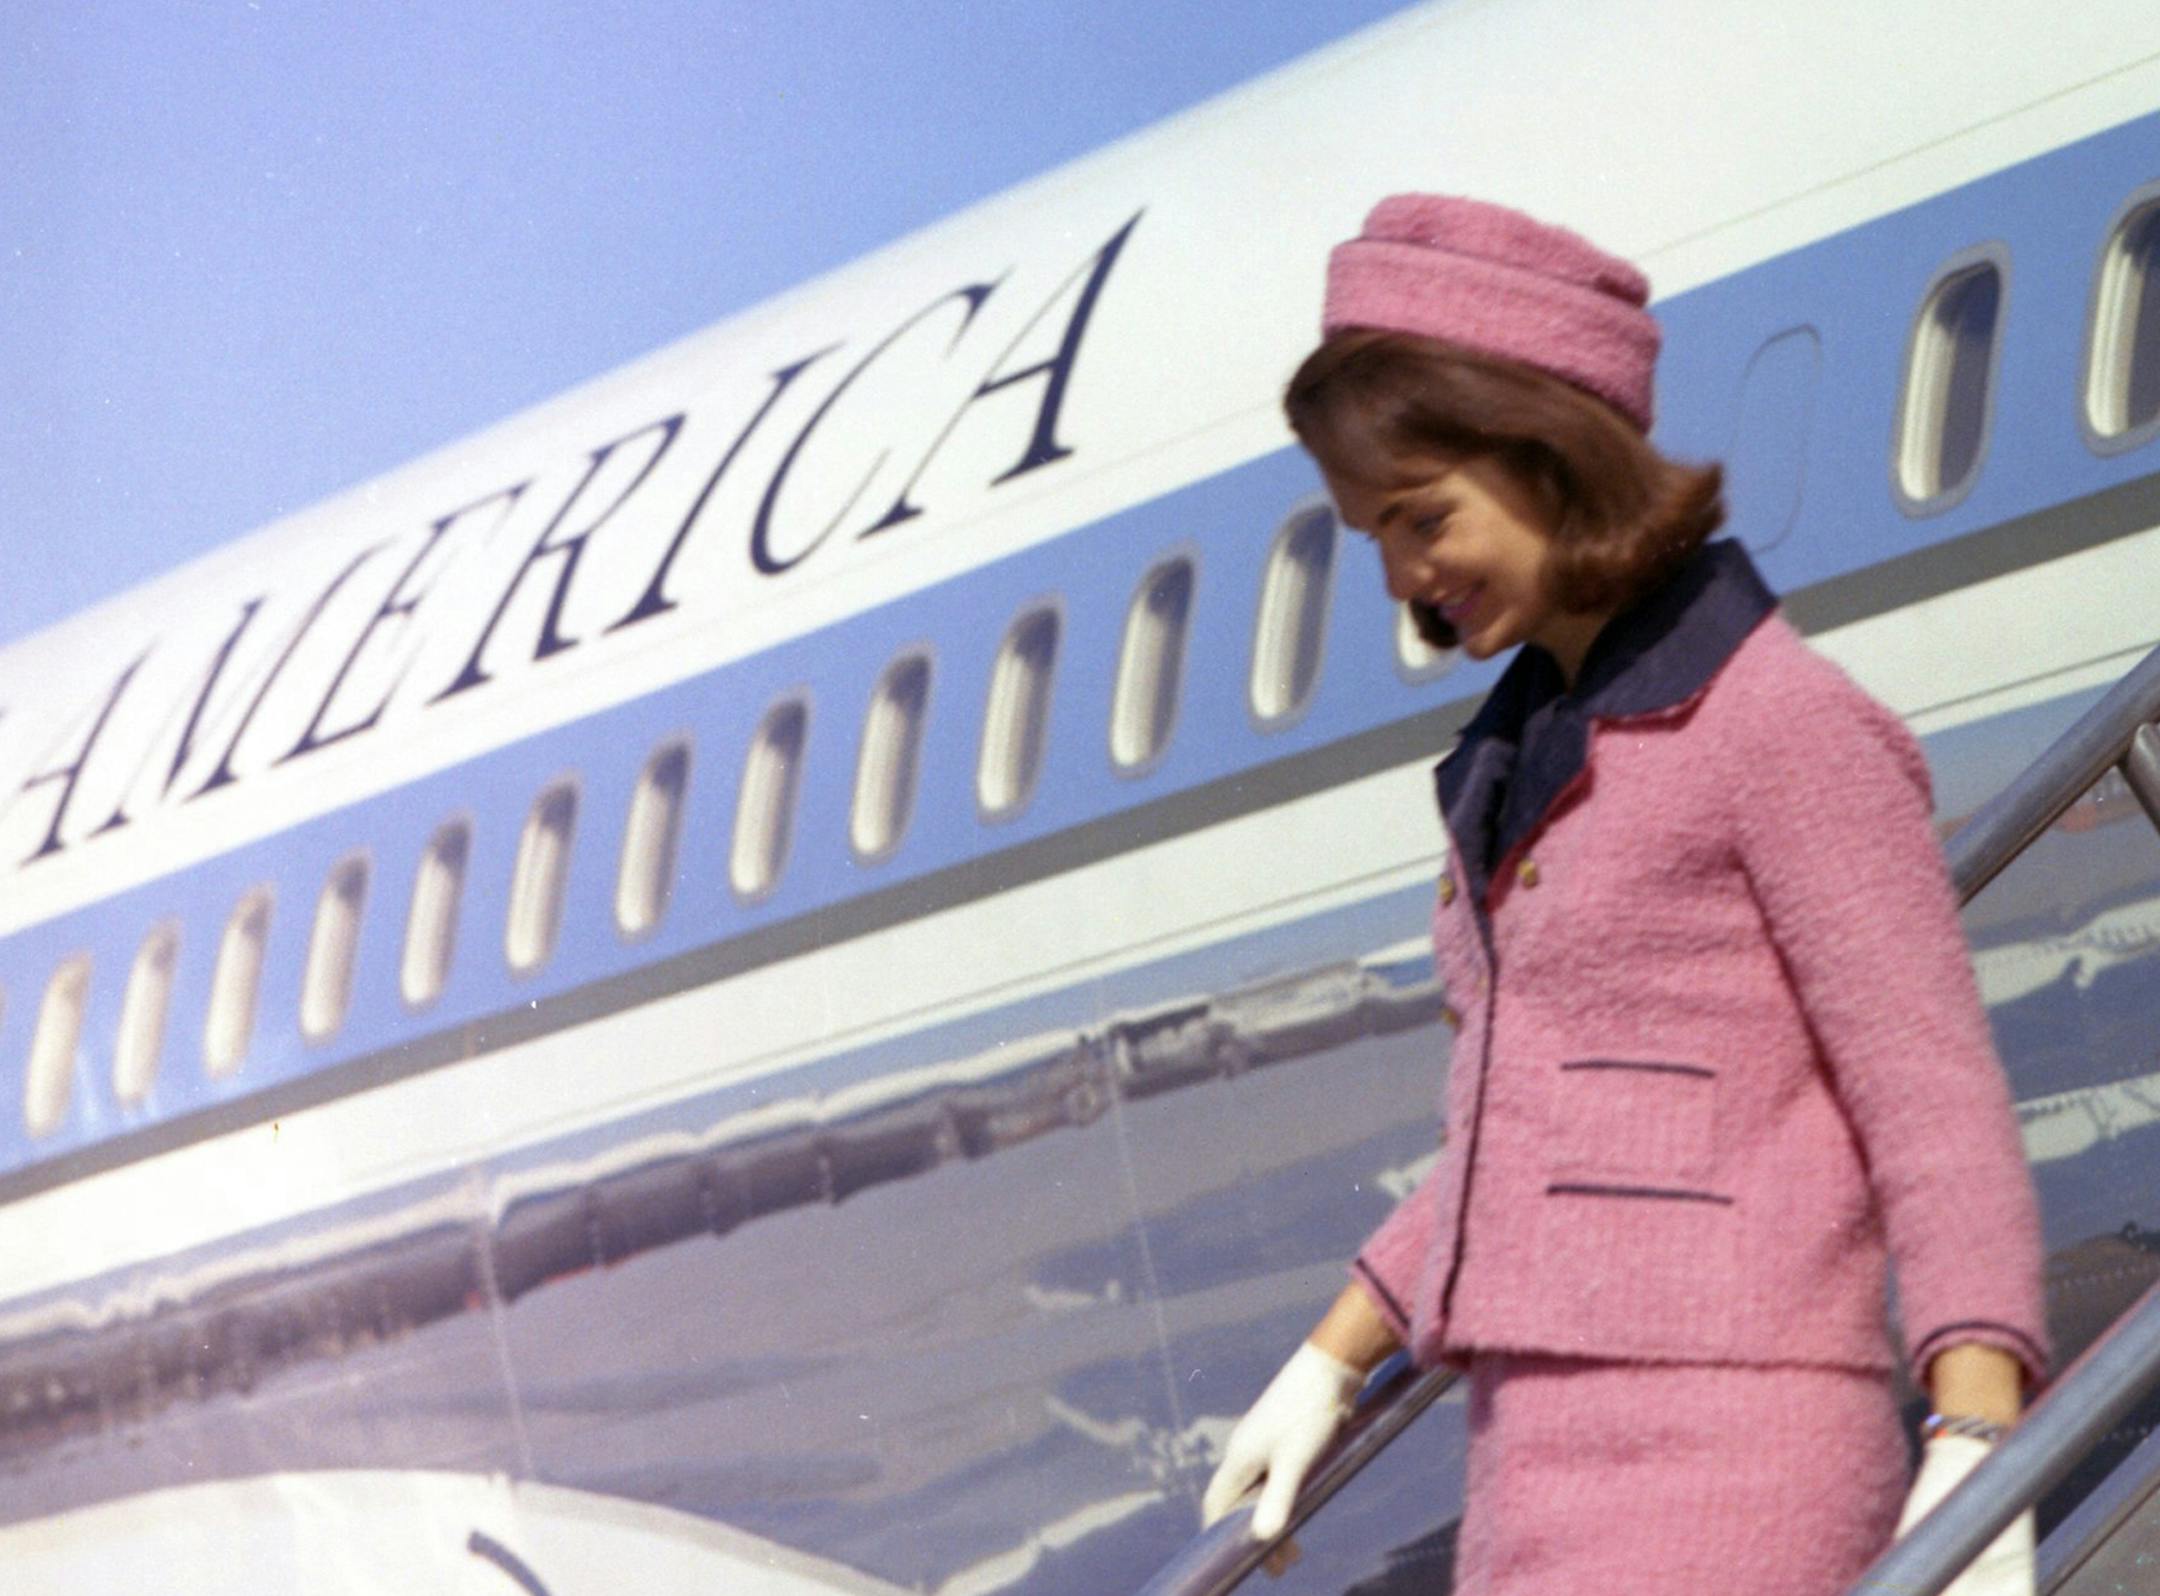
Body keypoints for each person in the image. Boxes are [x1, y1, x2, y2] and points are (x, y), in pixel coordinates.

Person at [1199, 195, 2051, 1596]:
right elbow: (1537, 1125)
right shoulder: (1522, 762)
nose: (1405, 577)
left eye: (1424, 516)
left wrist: (1975, 1432)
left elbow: (1932, 1098)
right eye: (1373, 534)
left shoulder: (1779, 725)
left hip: (1733, 1449)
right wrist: (1331, 1356)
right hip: (1530, 1454)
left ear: (1552, 459)